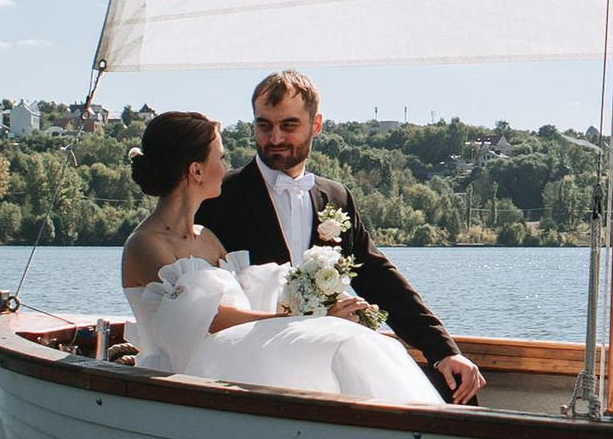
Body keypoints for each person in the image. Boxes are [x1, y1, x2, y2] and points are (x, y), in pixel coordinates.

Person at [118, 107, 443, 406]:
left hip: (232, 361)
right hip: (184, 375)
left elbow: (252, 296)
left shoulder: (208, 237)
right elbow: (207, 319)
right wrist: (308, 321)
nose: (226, 166)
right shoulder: (146, 245)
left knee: (359, 339)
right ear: (196, 170)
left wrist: (317, 306)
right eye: (221, 156)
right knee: (336, 340)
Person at [200, 70, 486, 406]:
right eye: (264, 125)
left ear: (316, 124)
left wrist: (444, 352)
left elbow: (380, 281)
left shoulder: (336, 197)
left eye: (288, 126)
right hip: (251, 370)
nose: (274, 137)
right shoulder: (218, 198)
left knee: (452, 391)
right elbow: (201, 299)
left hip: (324, 359)